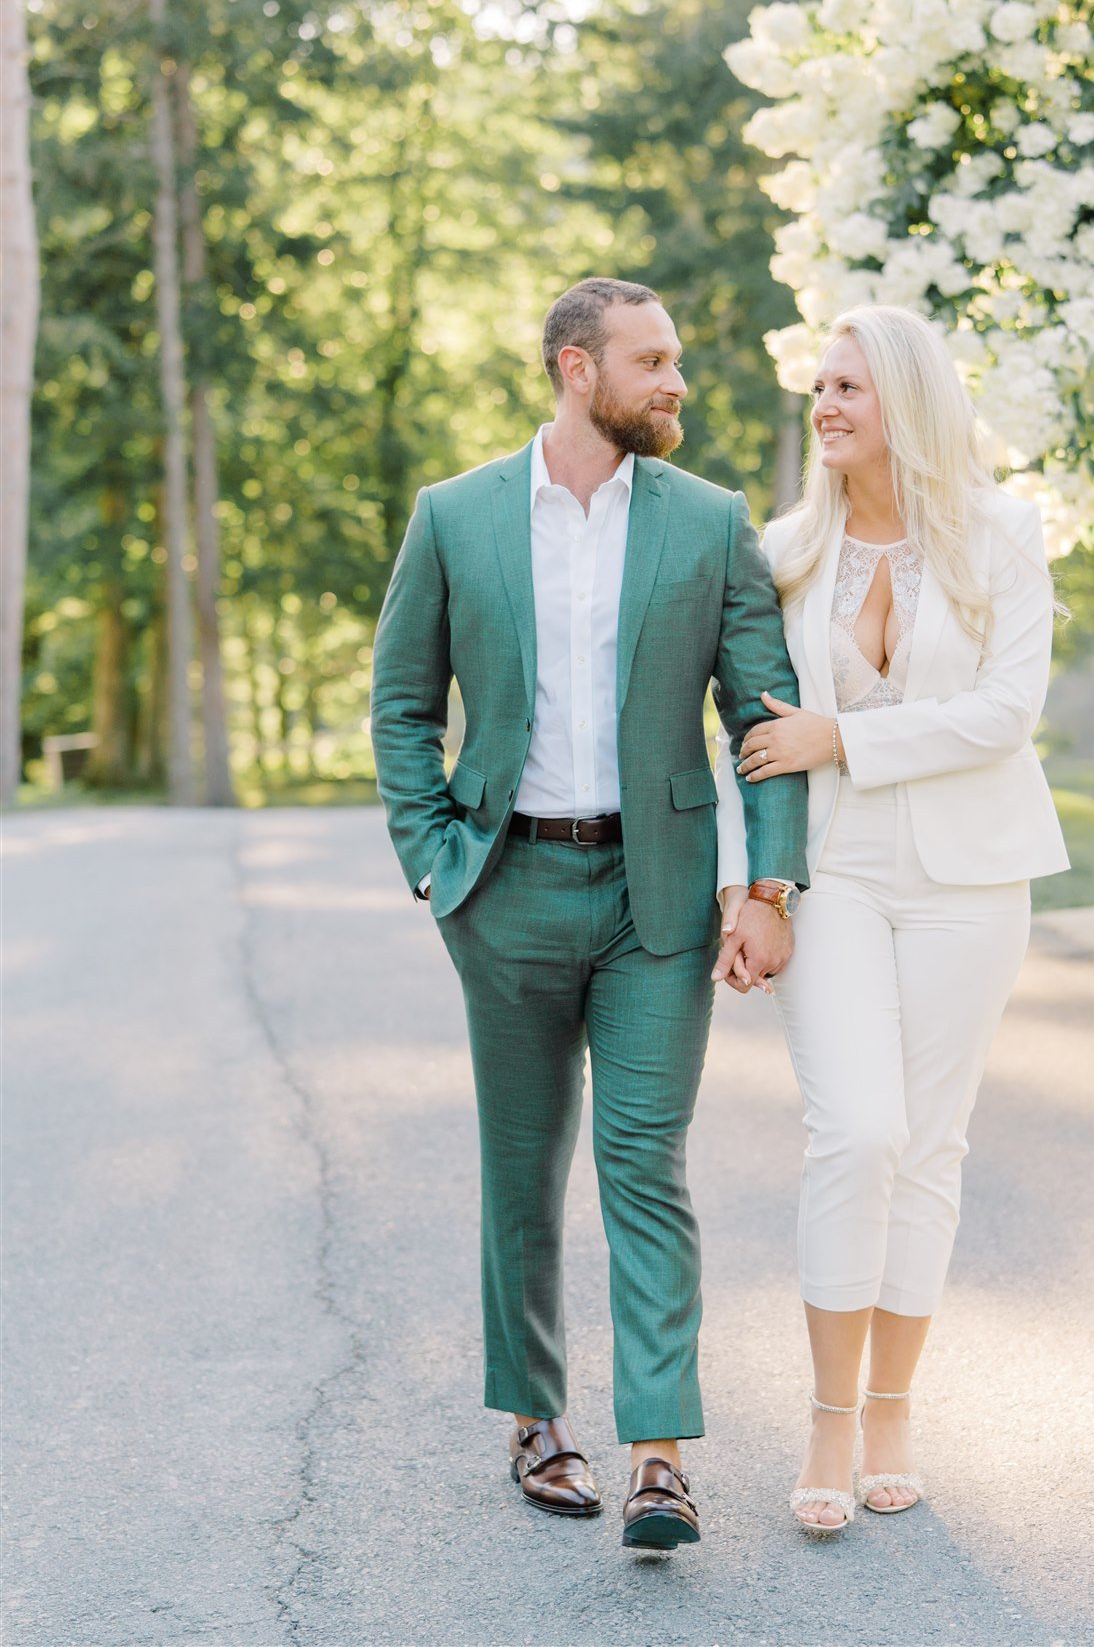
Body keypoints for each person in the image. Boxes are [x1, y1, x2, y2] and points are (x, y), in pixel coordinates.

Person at [371, 277, 809, 1553]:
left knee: (643, 1164)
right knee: (521, 1172)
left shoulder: (711, 520)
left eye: (675, 359)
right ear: (578, 368)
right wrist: (432, 860)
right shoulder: (454, 516)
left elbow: (765, 720)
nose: (678, 382)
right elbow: (402, 701)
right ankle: (536, 1419)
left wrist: (766, 883)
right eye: (654, 360)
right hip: (501, 888)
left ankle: (660, 1455)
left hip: (653, 898)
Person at [712, 302, 1069, 1536]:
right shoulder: (785, 548)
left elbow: (1003, 712)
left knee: (930, 1145)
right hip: (838, 875)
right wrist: (749, 888)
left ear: (906, 400)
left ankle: (893, 1408)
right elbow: (748, 736)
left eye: (849, 386)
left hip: (973, 880)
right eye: (819, 386)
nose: (825, 406)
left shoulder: (1003, 536)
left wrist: (845, 736)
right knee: (856, 1130)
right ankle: (824, 1414)